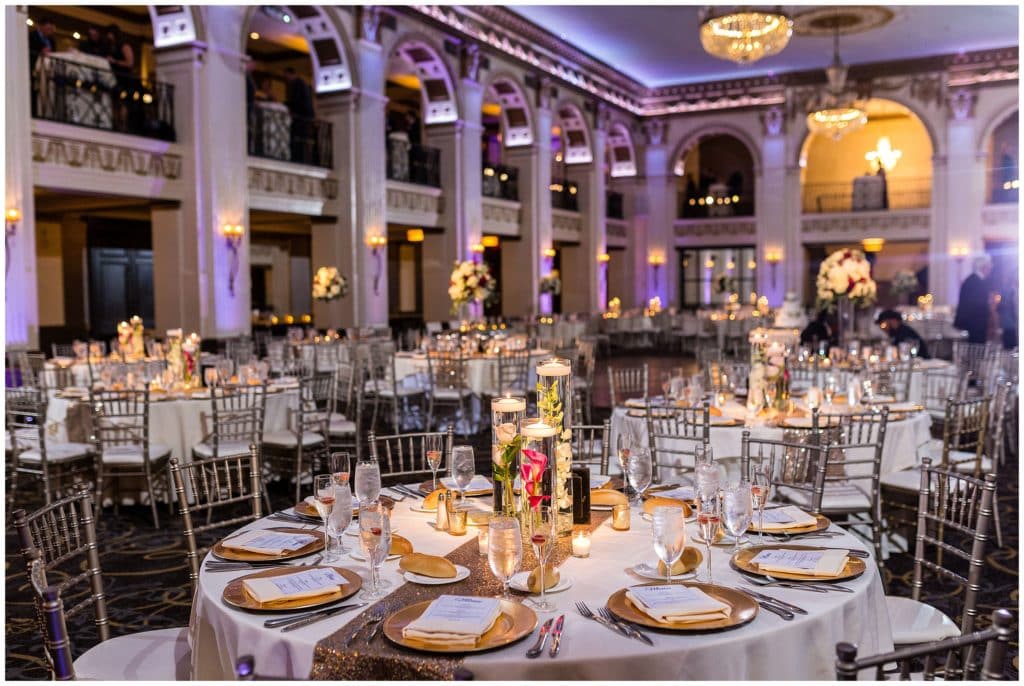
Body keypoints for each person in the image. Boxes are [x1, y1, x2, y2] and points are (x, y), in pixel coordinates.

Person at [954, 254, 993, 344]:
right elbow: (976, 304)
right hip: (975, 323)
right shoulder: (975, 282)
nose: (990, 270)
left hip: (976, 322)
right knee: (976, 349)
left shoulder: (973, 280)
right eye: (988, 267)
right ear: (983, 267)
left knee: (977, 348)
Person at [283, 67, 313, 163]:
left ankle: (298, 158)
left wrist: (288, 105)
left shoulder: (298, 84)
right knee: (299, 138)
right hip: (303, 116)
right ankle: (299, 157)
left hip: (301, 117)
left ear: (290, 74)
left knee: (299, 138)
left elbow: (297, 101)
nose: (286, 78)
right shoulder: (300, 84)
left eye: (286, 76)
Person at [997, 272, 1017, 350]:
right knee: (1009, 348)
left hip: (1010, 324)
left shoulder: (1009, 291)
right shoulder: (1007, 291)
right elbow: (1000, 307)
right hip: (1009, 325)